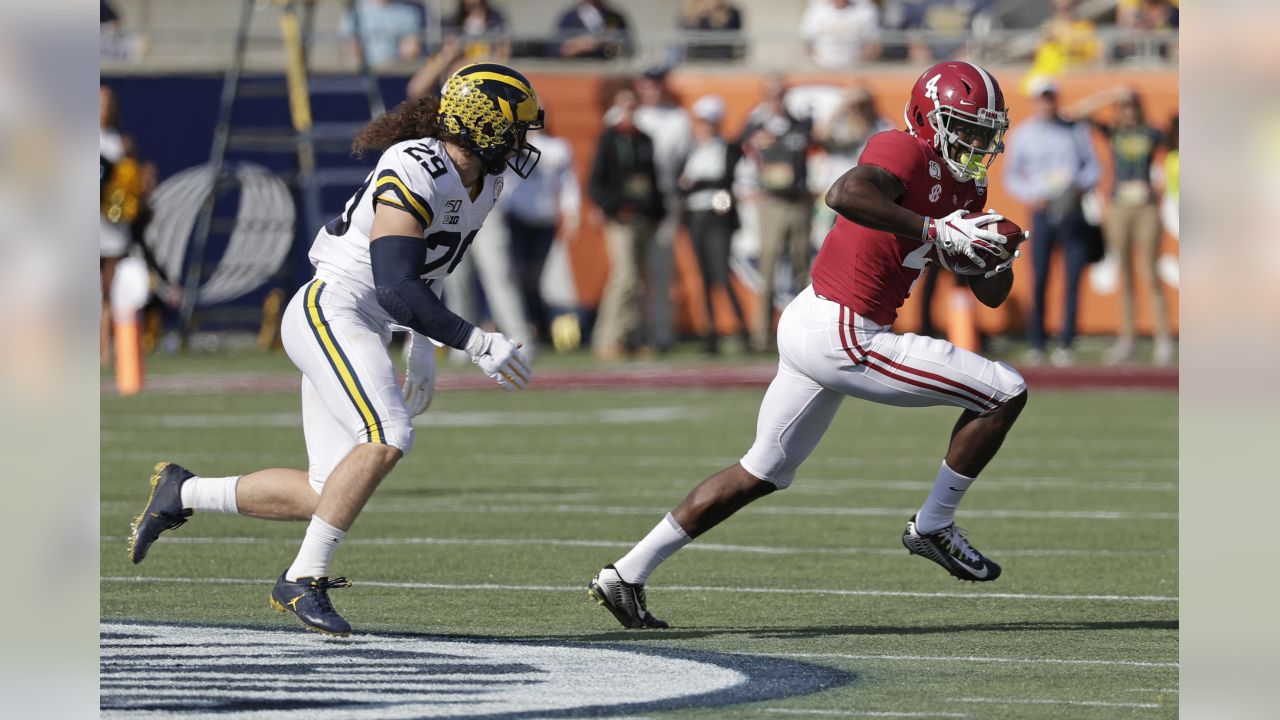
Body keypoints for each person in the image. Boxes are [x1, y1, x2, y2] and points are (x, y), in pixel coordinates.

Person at [588, 61, 1028, 629]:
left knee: (762, 469)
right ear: (929, 118)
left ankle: (625, 574)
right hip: (843, 327)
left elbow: (990, 294)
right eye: (965, 126)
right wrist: (935, 230)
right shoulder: (904, 149)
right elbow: (844, 192)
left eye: (983, 131)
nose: (976, 141)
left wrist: (992, 251)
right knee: (1004, 390)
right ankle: (933, 526)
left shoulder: (970, 185)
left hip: (818, 322)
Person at [127, 63, 544, 637]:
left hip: (368, 321)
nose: (524, 143)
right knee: (389, 435)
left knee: (329, 490)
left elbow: (431, 267)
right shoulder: (415, 164)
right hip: (335, 307)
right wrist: (473, 341)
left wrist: (422, 348)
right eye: (517, 129)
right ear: (482, 126)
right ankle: (302, 578)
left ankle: (185, 490)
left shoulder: (486, 181)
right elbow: (397, 284)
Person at [1002, 78, 1100, 367]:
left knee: (1072, 278)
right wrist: (1033, 195)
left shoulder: (1075, 130)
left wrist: (1077, 187)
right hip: (1042, 211)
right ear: (1035, 101)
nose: (1046, 103)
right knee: (1040, 277)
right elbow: (1012, 176)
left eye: (1050, 97)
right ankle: (1037, 341)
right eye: (1041, 98)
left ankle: (1066, 341)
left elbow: (1093, 167)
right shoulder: (1023, 134)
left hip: (1071, 210)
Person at [1071, 87, 1171, 366]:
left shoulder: (1151, 132)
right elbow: (1075, 113)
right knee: (1125, 274)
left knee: (1150, 272)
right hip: (1118, 207)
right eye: (1123, 107)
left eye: (1130, 105)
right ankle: (1128, 338)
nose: (1126, 111)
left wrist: (1160, 183)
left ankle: (1162, 338)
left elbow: (1174, 147)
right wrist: (1110, 96)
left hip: (1146, 206)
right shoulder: (1113, 131)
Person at [739, 75, 814, 351]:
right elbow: (740, 153)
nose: (776, 100)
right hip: (771, 203)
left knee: (801, 265)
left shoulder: (799, 126)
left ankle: (806, 331)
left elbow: (815, 149)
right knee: (768, 264)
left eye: (780, 94)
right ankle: (761, 335)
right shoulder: (756, 126)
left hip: (797, 201)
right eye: (772, 94)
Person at [588, 88, 663, 359]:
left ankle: (631, 338)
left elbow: (652, 180)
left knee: (639, 281)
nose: (630, 109)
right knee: (625, 276)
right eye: (625, 104)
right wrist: (614, 207)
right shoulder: (609, 139)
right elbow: (596, 183)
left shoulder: (644, 140)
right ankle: (607, 337)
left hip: (643, 218)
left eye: (633, 104)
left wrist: (657, 213)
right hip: (621, 219)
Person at [678, 95, 749, 354]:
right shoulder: (693, 149)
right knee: (705, 277)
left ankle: (743, 331)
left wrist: (698, 184)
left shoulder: (727, 148)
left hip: (718, 216)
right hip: (696, 216)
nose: (704, 126)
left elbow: (725, 180)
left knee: (721, 274)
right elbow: (683, 183)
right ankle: (709, 335)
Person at [503, 125, 582, 346]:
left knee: (537, 276)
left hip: (545, 218)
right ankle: (524, 326)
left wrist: (572, 211)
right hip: (517, 216)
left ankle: (536, 326)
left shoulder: (558, 147)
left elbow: (568, 182)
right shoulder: (512, 145)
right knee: (516, 274)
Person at [800, 0, 882, 70]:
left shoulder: (865, 11)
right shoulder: (817, 11)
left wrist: (861, 64)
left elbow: (873, 44)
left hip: (855, 68)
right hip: (822, 67)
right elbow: (807, 41)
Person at [341, 0, 424, 68]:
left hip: (396, 73)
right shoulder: (354, 11)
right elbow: (350, 47)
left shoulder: (408, 12)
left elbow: (410, 50)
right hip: (364, 74)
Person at [556, 0, 633, 60]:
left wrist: (604, 43)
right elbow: (555, 49)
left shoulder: (615, 17)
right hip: (576, 70)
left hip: (606, 70)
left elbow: (627, 48)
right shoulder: (569, 18)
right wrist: (575, 46)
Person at [679, 0, 744, 61]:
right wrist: (703, 16)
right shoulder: (689, 14)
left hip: (722, 59)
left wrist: (715, 16)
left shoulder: (732, 13)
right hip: (696, 60)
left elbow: (732, 35)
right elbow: (689, 39)